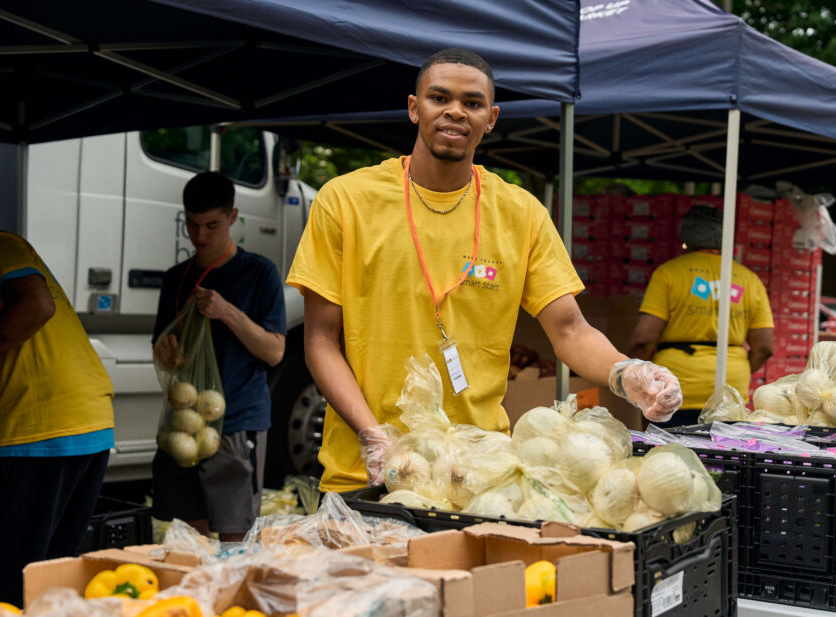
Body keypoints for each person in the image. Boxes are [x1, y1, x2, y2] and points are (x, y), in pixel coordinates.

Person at [286, 48, 682, 492]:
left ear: (490, 118)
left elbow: (570, 330)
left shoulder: (521, 213)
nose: (455, 111)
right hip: (366, 471)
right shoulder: (345, 200)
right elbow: (320, 341)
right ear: (414, 108)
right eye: (439, 98)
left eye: (472, 103)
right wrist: (374, 437)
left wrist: (625, 372)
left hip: (477, 474)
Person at [0, 221, 115, 606]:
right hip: (86, 419)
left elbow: (38, 304)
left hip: (38, 427)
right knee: (46, 580)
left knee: (5, 587)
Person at [151, 172, 286, 541]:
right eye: (192, 225)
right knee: (186, 537)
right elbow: (163, 352)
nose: (200, 236)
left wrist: (226, 311)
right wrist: (167, 355)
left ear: (232, 217)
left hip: (238, 421)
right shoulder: (176, 278)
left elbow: (275, 351)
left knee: (234, 538)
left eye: (211, 225)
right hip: (183, 422)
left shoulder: (259, 273)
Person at [626, 206, 775, 427]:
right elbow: (764, 347)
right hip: (730, 386)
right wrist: (736, 368)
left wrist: (633, 376)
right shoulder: (750, 280)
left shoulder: (668, 273)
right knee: (722, 449)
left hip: (676, 384)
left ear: (685, 236)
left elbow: (643, 339)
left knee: (670, 448)